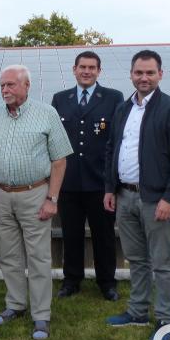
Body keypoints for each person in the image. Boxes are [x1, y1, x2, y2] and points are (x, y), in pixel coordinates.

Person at [103, 50, 170, 340]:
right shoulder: (122, 109)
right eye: (139, 73)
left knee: (163, 262)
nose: (144, 78)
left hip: (156, 199)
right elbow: (112, 150)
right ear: (131, 74)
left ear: (160, 74)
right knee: (137, 259)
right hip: (125, 195)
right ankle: (138, 311)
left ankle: (166, 319)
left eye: (150, 73)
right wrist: (109, 188)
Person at [0, 65, 73, 340]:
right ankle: (15, 304)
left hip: (35, 194)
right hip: (2, 194)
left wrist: (52, 199)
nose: (5, 90)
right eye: (2, 86)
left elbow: (60, 160)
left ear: (26, 86)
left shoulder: (46, 114)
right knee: (8, 255)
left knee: (38, 257)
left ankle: (41, 315)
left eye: (10, 85)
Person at [51, 51, 123, 301]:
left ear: (99, 71)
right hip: (68, 183)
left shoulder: (113, 98)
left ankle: (107, 283)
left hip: (99, 183)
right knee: (71, 235)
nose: (87, 71)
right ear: (74, 70)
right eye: (82, 67)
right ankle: (71, 280)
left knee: (104, 236)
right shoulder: (60, 99)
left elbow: (116, 141)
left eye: (92, 67)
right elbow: (54, 140)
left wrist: (111, 184)